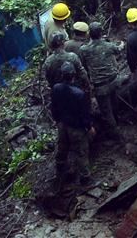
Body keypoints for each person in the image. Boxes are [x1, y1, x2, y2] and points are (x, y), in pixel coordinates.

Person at [51, 62, 94, 190]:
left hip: (62, 125)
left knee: (62, 147)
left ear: (62, 75)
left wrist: (57, 120)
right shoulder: (79, 94)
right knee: (81, 152)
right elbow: (84, 114)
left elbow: (54, 107)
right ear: (74, 75)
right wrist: (89, 126)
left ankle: (60, 170)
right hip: (75, 128)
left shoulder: (56, 88)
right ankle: (86, 180)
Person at [80, 23, 123, 137]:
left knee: (106, 110)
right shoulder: (108, 45)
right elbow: (119, 50)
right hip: (113, 81)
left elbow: (83, 65)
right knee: (114, 102)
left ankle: (115, 132)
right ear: (101, 33)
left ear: (89, 34)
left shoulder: (84, 50)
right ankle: (117, 122)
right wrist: (122, 44)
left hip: (100, 87)